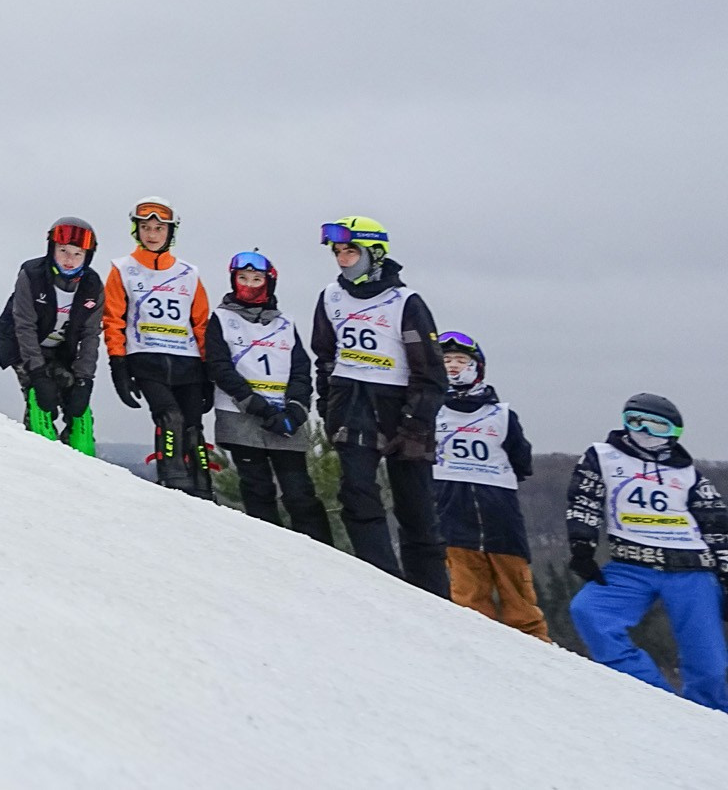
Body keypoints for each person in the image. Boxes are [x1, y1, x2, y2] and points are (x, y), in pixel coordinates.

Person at [564, 393, 728, 712]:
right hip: (631, 565)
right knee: (590, 611)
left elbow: (717, 523)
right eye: (634, 422)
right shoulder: (604, 456)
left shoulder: (687, 473)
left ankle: (711, 717)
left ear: (672, 433)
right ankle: (652, 697)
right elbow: (584, 499)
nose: (644, 432)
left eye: (656, 426)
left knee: (707, 659)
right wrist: (582, 547)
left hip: (690, 567)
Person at [311, 217, 449, 595]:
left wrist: (415, 423)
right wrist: (327, 406)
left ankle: (434, 596)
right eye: (337, 252)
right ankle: (385, 584)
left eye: (350, 251)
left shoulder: (404, 302)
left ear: (374, 253)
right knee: (356, 494)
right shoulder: (330, 297)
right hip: (351, 404)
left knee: (416, 509)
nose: (342, 260)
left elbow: (432, 371)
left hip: (401, 409)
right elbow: (324, 356)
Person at [204, 251, 332, 543]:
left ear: (268, 282)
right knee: (258, 488)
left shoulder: (284, 323)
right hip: (242, 416)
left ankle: (323, 551)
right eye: (243, 279)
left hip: (284, 417)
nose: (249, 284)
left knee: (299, 492)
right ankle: (270, 552)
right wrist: (257, 406)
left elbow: (301, 368)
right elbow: (219, 366)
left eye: (256, 279)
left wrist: (297, 410)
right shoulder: (222, 318)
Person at [431, 332, 546, 640]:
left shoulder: (502, 414)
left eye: (460, 360)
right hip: (453, 511)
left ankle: (537, 648)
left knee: (517, 592)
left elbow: (522, 460)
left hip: (500, 513)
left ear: (477, 367)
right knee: (468, 596)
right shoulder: (431, 411)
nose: (453, 367)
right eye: (446, 361)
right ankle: (478, 649)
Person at [101, 197, 213, 495]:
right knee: (169, 417)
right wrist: (118, 366)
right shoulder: (122, 269)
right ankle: (172, 481)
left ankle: (202, 487)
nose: (152, 234)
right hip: (146, 359)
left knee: (193, 426)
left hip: (187, 362)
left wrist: (208, 369)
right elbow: (113, 319)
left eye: (159, 228)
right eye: (146, 227)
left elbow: (201, 323)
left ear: (169, 233)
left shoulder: (189, 273)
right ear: (136, 231)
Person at [0, 218, 105, 455]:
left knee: (77, 402)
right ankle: (40, 452)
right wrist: (37, 372)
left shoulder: (92, 286)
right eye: (63, 251)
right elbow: (24, 325)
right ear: (51, 248)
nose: (69, 259)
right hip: (21, 343)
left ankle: (81, 453)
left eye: (77, 253)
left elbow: (91, 334)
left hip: (60, 348)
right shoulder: (31, 275)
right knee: (41, 396)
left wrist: (85, 380)